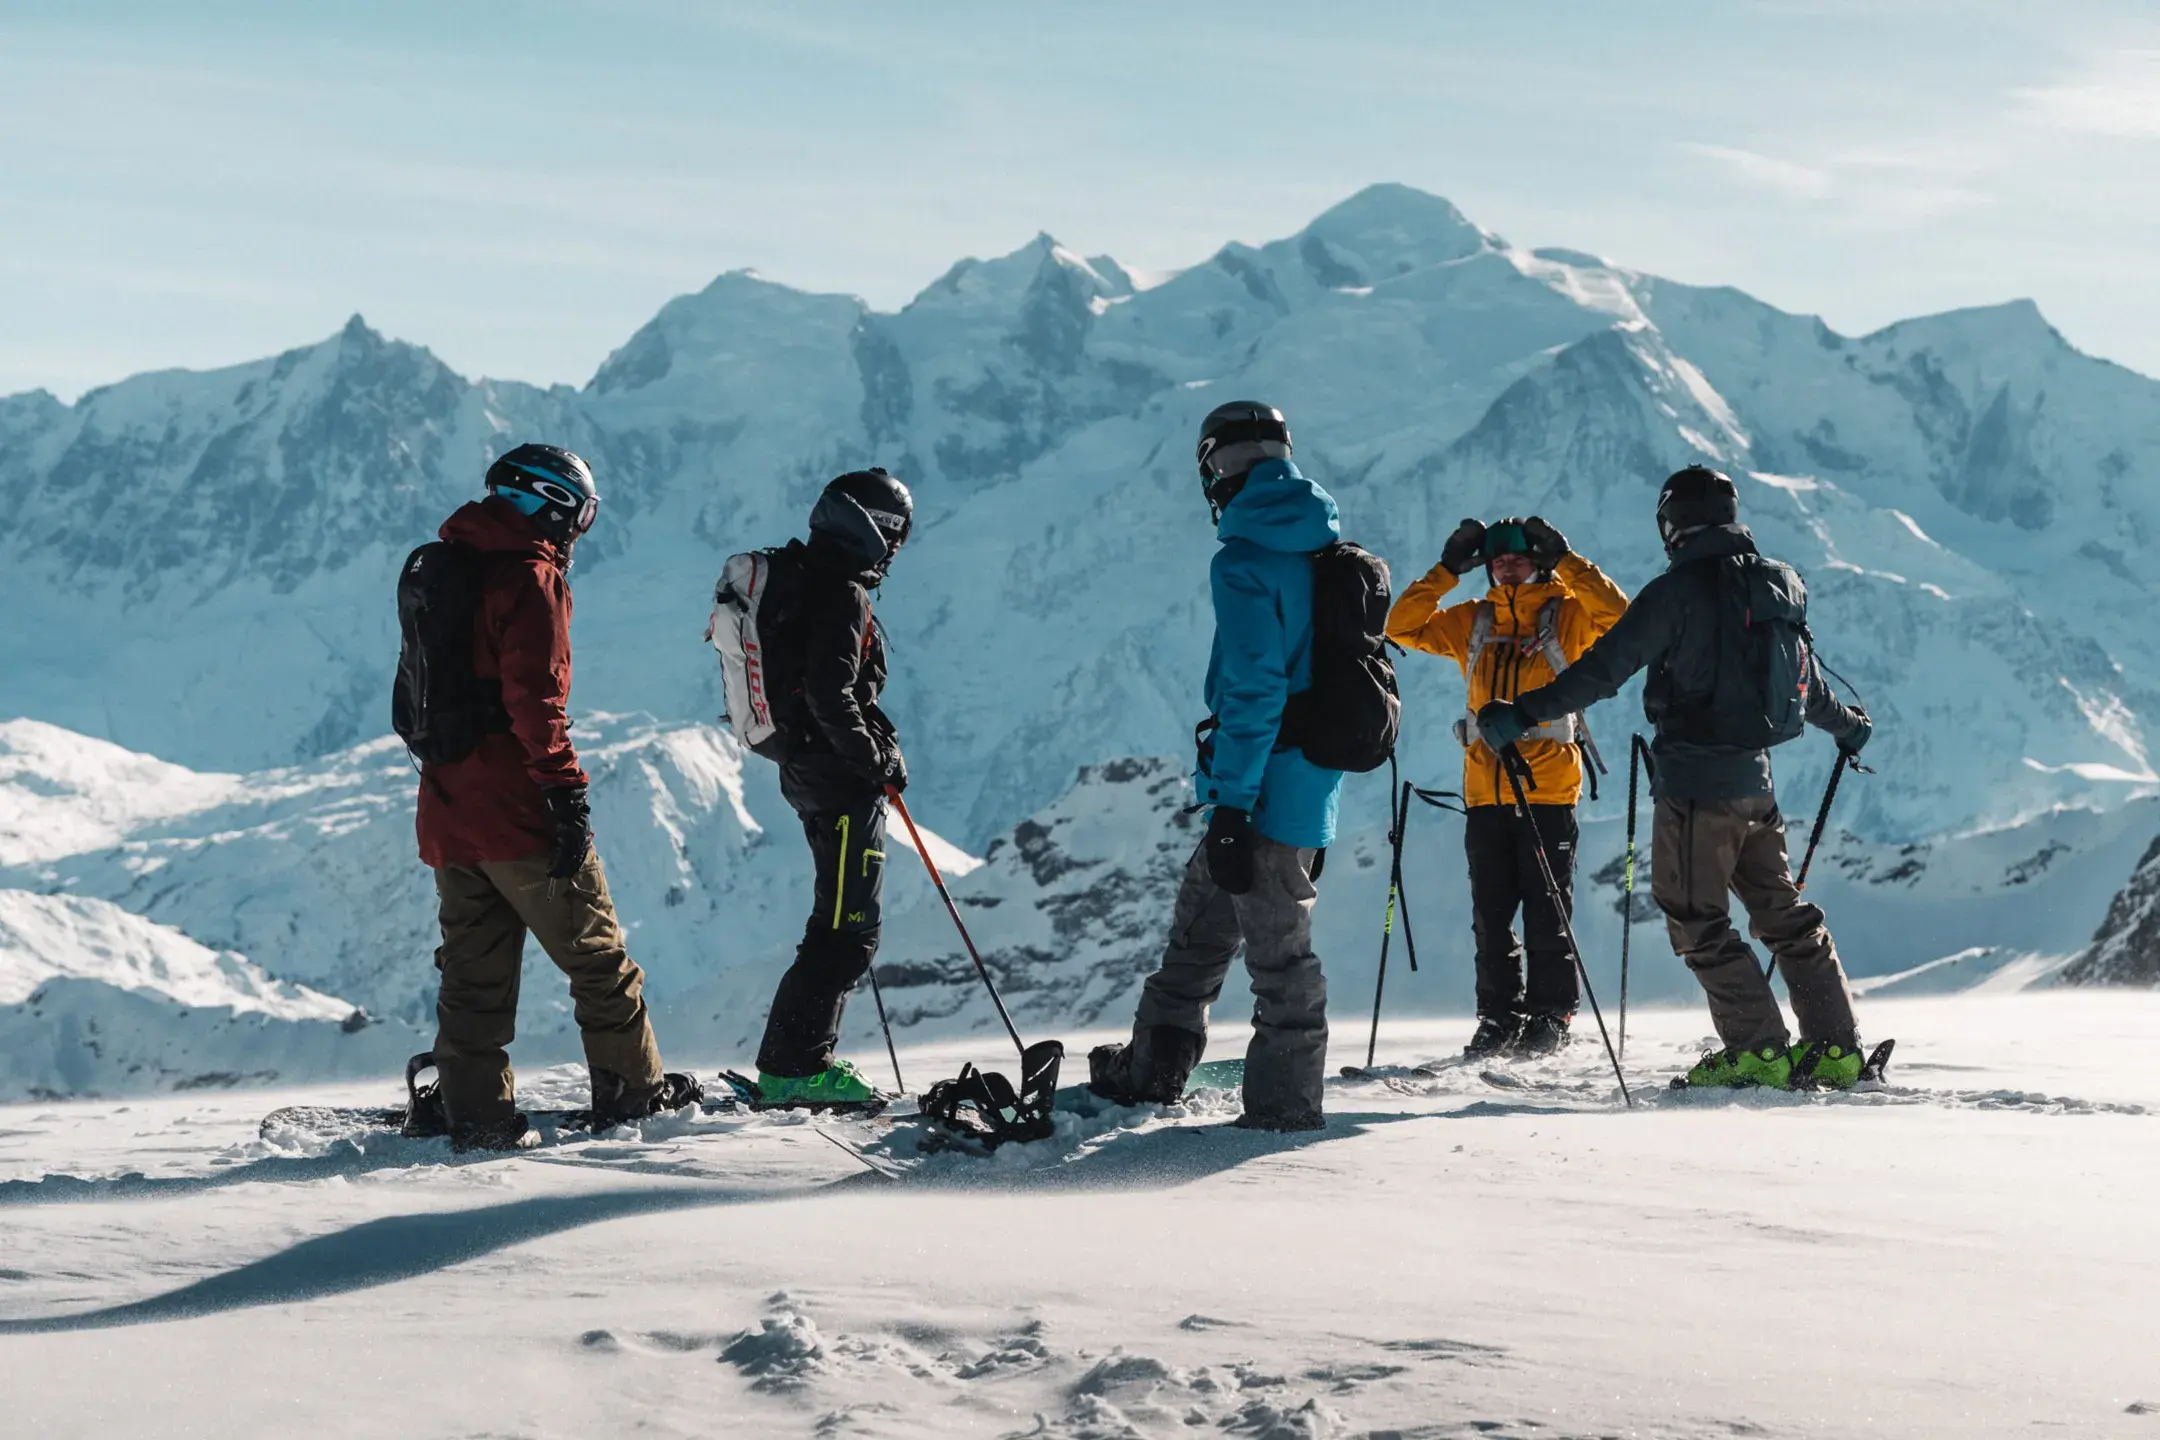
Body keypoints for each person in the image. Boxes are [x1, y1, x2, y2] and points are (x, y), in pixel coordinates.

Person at [1481, 464, 1875, 1089]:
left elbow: (1602, 671)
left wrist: (1522, 712)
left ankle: (1757, 1052)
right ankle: (1835, 1048)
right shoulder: (1774, 589)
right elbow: (1806, 686)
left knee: (1696, 917)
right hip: (1758, 788)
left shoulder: (1677, 592)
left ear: (1671, 525)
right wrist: (1848, 725)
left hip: (1696, 787)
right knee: (1783, 913)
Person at [411, 443, 699, 1150]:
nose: (581, 528)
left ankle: (474, 1114)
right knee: (599, 959)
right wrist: (565, 792)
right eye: (582, 512)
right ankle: (634, 1097)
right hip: (517, 807)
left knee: (474, 978)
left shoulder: (447, 565)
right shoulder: (528, 576)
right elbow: (536, 703)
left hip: (447, 806)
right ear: (554, 502)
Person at [1088, 401, 1346, 1131]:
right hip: (1307, 786)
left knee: (1279, 956)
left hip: (1261, 789)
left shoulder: (1244, 560)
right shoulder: (1323, 548)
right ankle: (1153, 1068)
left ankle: (1284, 1106)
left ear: (1215, 468)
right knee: (1200, 930)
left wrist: (1232, 803)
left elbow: (1257, 690)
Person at [1386, 516, 1628, 1059]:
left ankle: (1550, 1015)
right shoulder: (1474, 619)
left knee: (1547, 910)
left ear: (1539, 563)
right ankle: (1497, 1017)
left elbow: (1622, 619)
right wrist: (1447, 570)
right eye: (1497, 563)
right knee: (1490, 916)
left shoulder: (1568, 612)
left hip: (1547, 787)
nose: (1506, 569)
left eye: (1517, 560)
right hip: (1484, 791)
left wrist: (1569, 562)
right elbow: (1400, 627)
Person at [749, 468, 915, 1110]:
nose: (896, 548)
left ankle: (795, 1061)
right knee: (849, 930)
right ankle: (795, 1069)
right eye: (895, 532)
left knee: (838, 921)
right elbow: (831, 695)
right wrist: (874, 760)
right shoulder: (841, 594)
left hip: (807, 770)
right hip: (839, 781)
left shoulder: (804, 580)